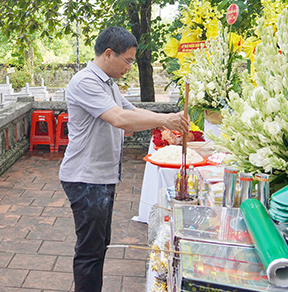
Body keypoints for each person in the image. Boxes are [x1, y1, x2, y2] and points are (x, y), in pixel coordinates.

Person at [59, 26, 192, 292]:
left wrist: (168, 120)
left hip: (100, 177)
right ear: (109, 54)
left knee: (98, 246)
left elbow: (129, 113)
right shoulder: (85, 81)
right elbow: (119, 118)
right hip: (85, 178)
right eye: (128, 60)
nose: (129, 66)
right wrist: (165, 119)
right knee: (90, 252)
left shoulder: (107, 84)